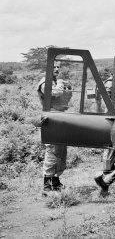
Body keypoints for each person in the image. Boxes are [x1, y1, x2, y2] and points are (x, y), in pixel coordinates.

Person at [37, 62, 72, 195]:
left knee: (61, 150)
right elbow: (56, 93)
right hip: (51, 118)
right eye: (54, 67)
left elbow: (65, 100)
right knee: (52, 150)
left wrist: (68, 87)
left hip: (59, 117)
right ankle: (47, 184)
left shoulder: (56, 81)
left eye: (58, 67)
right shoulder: (45, 82)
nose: (57, 69)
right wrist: (61, 84)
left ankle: (55, 180)